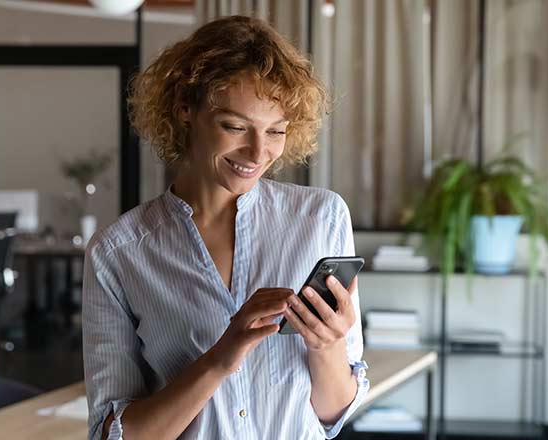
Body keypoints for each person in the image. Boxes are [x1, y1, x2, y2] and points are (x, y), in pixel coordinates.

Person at [83, 15, 369, 440]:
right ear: (185, 106)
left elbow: (332, 415)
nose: (258, 152)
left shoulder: (322, 219)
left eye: (276, 131)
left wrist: (325, 344)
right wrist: (219, 358)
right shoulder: (120, 252)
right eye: (235, 126)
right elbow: (114, 435)